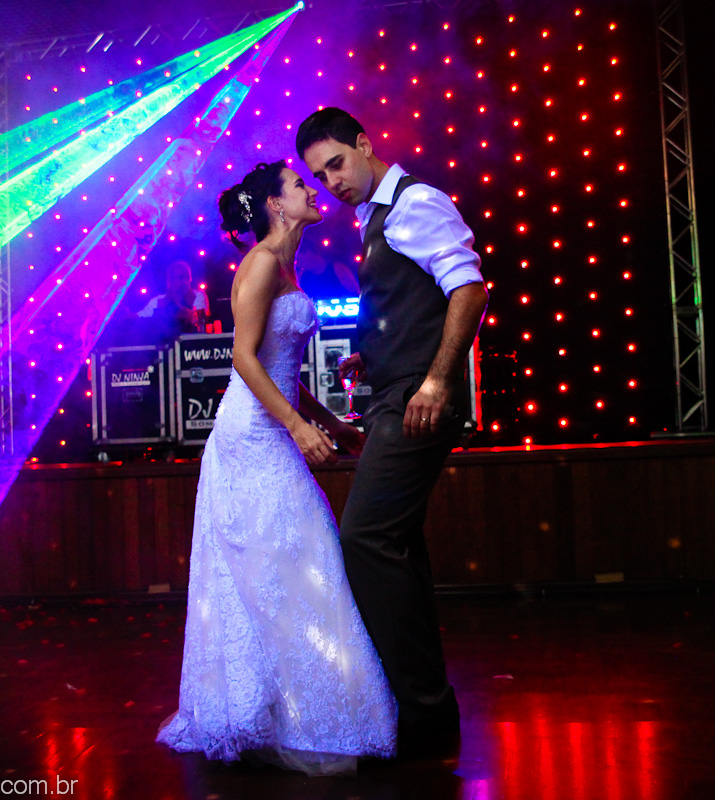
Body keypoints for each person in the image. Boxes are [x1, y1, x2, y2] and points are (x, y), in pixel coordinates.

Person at [156, 161, 397, 775]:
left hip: (274, 427)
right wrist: (295, 426)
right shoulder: (262, 262)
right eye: (298, 185)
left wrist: (332, 423)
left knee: (294, 562)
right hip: (249, 437)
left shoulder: (288, 266)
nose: (311, 190)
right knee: (293, 559)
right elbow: (243, 357)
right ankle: (274, 712)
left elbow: (281, 367)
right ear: (275, 205)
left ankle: (299, 710)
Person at [297, 108, 489, 758]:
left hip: (416, 400)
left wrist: (436, 381)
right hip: (394, 390)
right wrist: (371, 355)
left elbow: (468, 291)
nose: (332, 182)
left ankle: (422, 710)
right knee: (396, 546)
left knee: (366, 539)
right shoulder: (375, 216)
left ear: (365, 144)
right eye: (320, 176)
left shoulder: (415, 202)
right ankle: (428, 716)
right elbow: (411, 302)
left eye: (337, 164)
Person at [134, 260, 210, 343]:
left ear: (190, 278)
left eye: (183, 277)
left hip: (192, 344)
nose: (180, 282)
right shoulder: (157, 301)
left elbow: (198, 318)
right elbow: (139, 317)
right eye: (174, 278)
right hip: (164, 345)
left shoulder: (198, 296)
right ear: (168, 281)